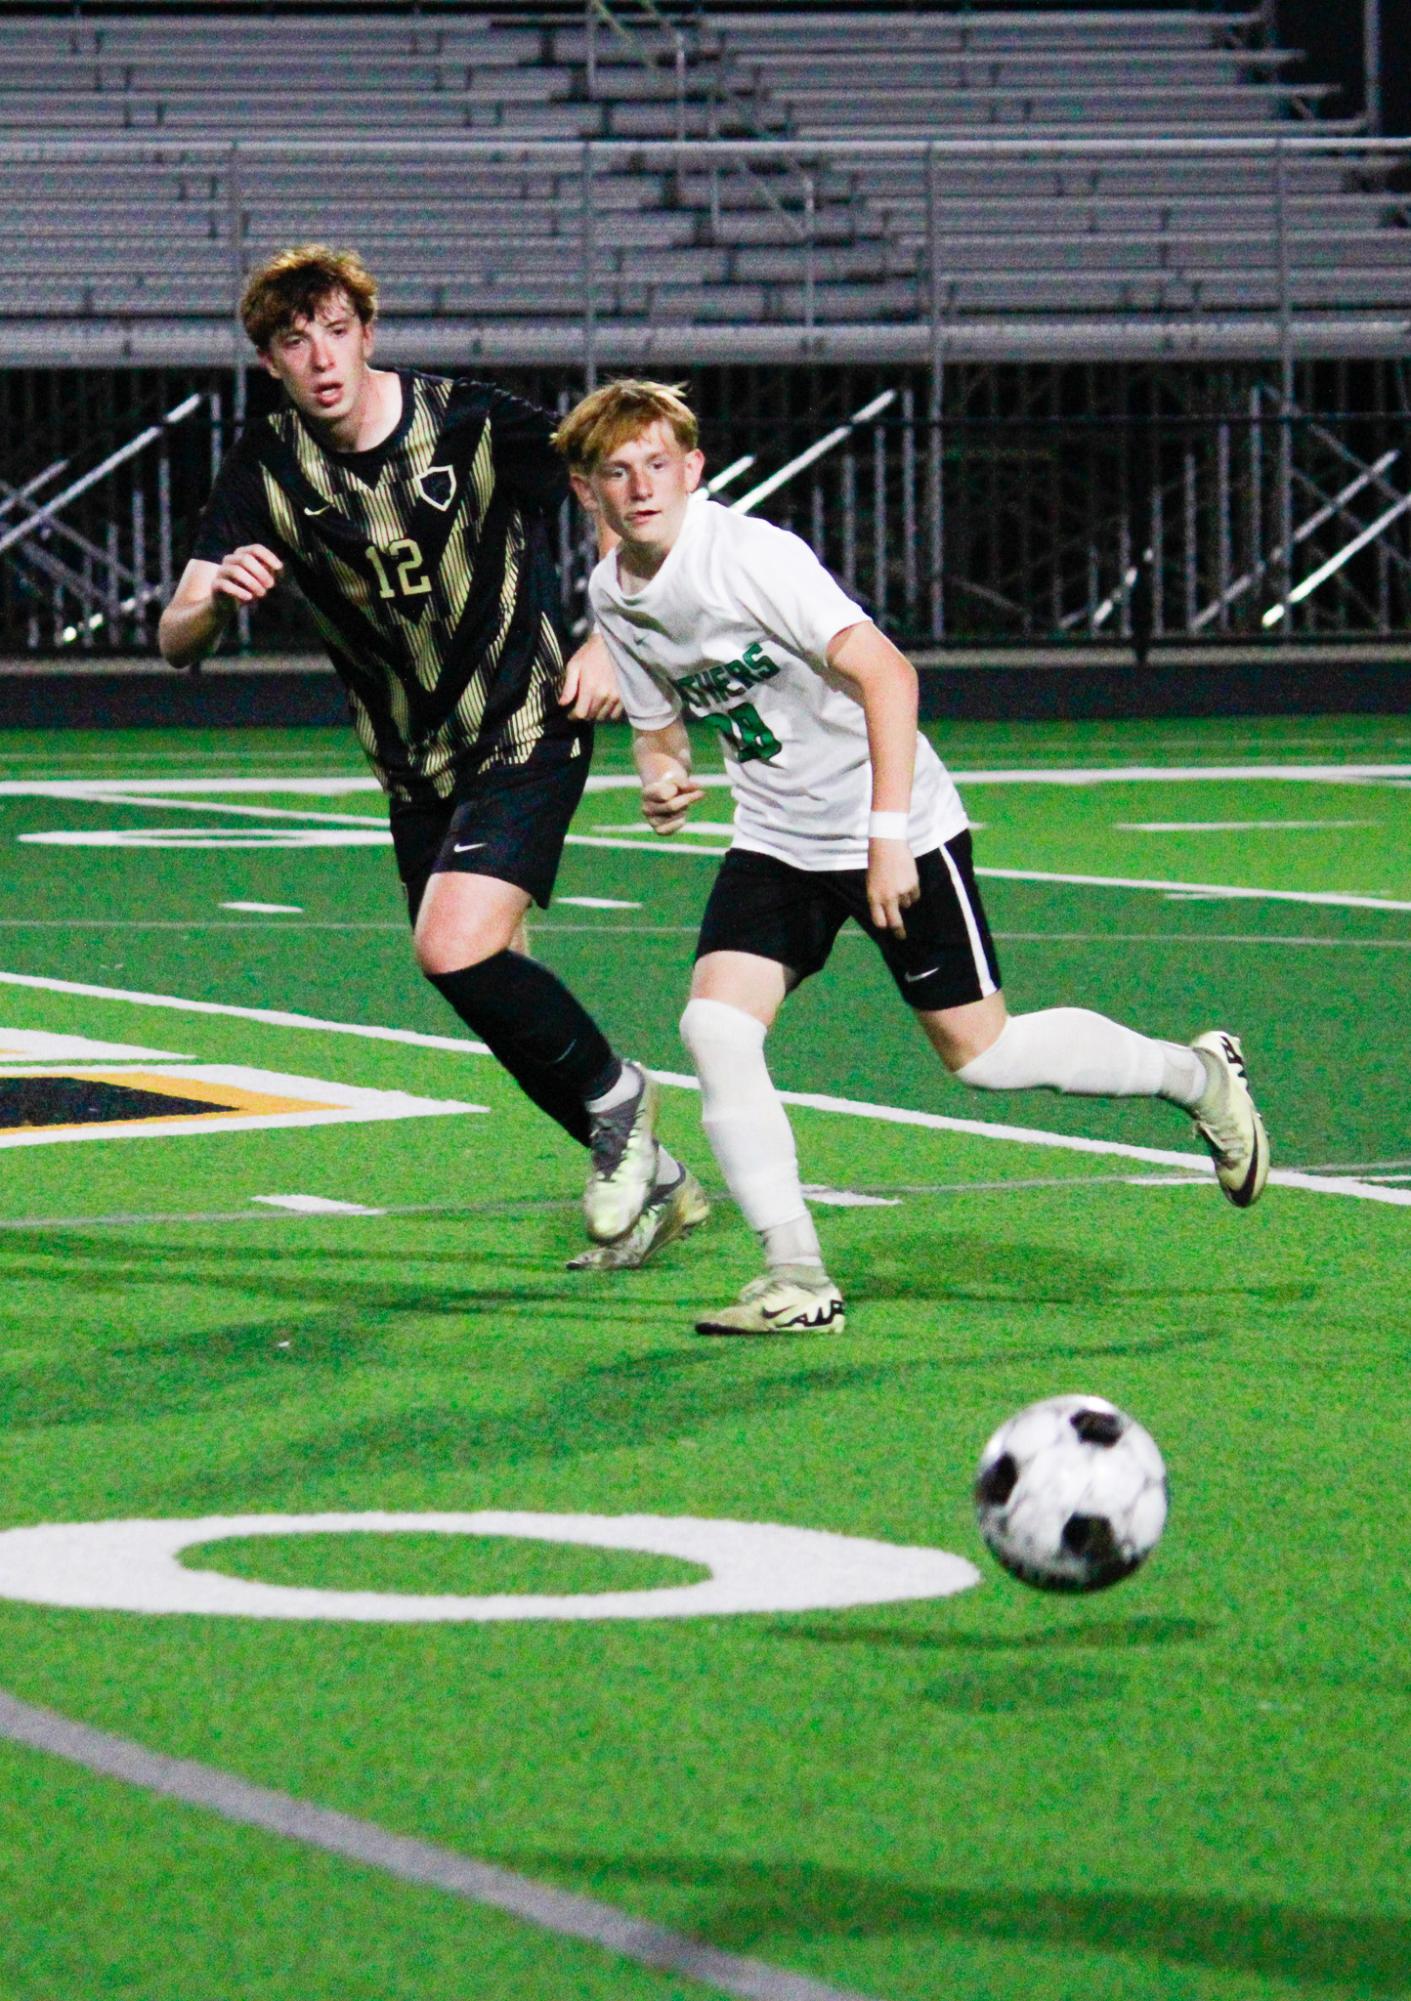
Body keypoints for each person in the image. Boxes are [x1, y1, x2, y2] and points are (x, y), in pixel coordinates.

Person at [555, 378, 1270, 1337]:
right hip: (776, 837)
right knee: (716, 1030)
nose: (640, 486)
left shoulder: (751, 559)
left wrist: (886, 836)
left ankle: (1199, 1080)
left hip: (894, 821)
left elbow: (889, 672)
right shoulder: (613, 595)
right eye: (617, 470)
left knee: (985, 1056)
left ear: (693, 469)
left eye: (657, 464)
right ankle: (795, 1275)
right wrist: (661, 775)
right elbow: (659, 730)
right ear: (588, 492)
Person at [158, 246, 706, 1272]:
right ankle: (661, 1181)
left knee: (452, 947)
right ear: (269, 362)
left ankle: (623, 1105)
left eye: (333, 330)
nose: (317, 356)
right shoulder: (265, 466)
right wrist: (209, 598)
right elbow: (174, 641)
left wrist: (606, 637)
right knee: (487, 981)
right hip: (413, 763)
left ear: (368, 332)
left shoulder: (468, 420)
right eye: (291, 340)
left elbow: (615, 492)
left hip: (527, 720)